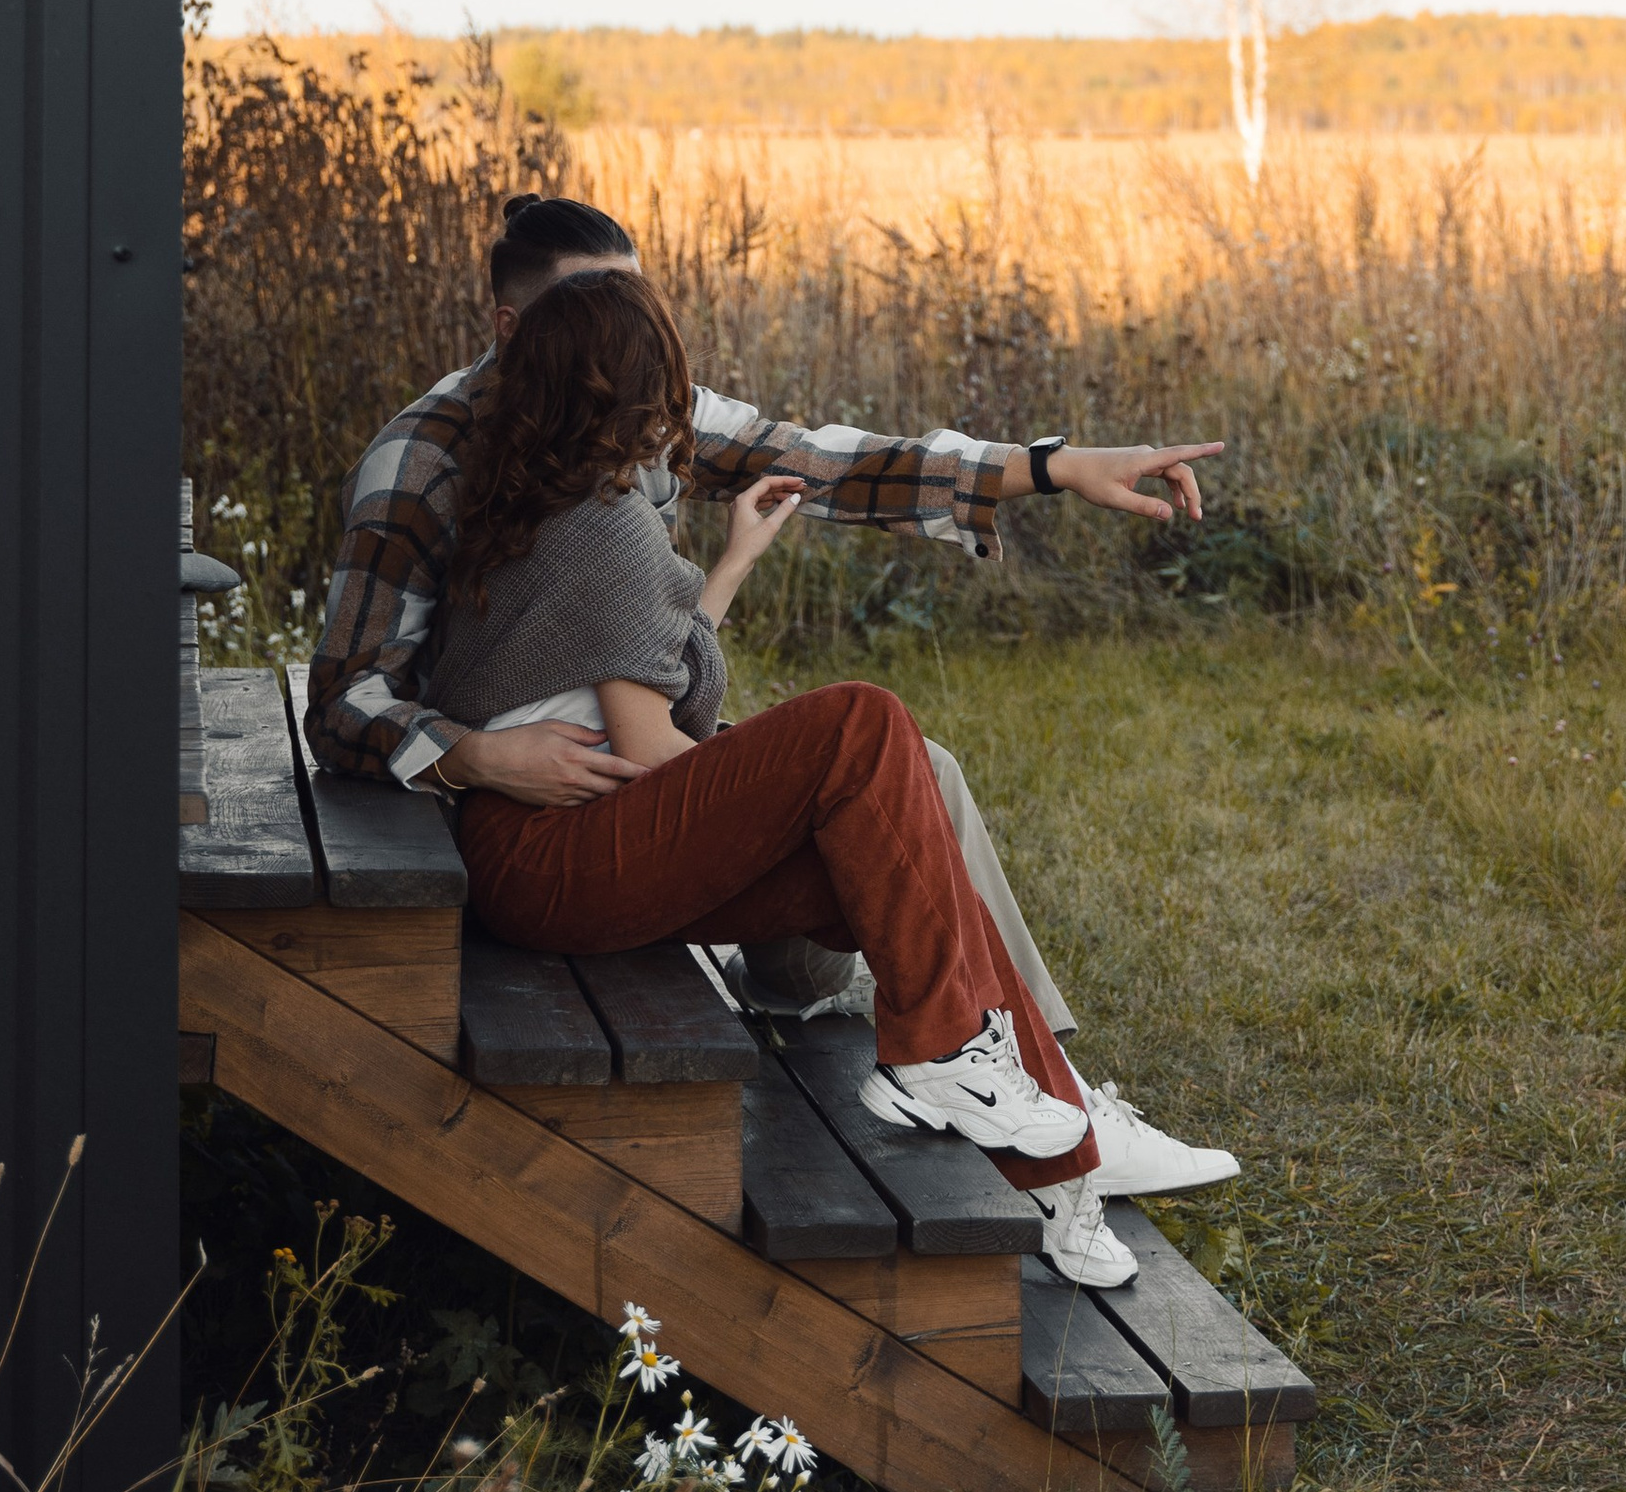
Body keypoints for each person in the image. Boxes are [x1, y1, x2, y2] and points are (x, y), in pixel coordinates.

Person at [307, 191, 1235, 1197]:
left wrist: (1052, 468)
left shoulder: (623, 417)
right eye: (601, 312)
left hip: (600, 789)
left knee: (916, 777)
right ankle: (1017, 1089)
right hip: (518, 821)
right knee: (862, 755)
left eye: (639, 308)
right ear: (514, 327)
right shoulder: (429, 460)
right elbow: (346, 700)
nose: (639, 347)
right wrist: (479, 755)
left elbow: (832, 464)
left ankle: (1037, 1088)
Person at [424, 260, 1123, 1287]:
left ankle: (1060, 1166)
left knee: (902, 860)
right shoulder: (603, 524)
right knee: (862, 726)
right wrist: (776, 791)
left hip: (550, 852)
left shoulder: (536, 501)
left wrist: (733, 563)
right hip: (550, 857)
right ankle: (953, 1066)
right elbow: (651, 749)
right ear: (643, 388)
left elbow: (631, 674)